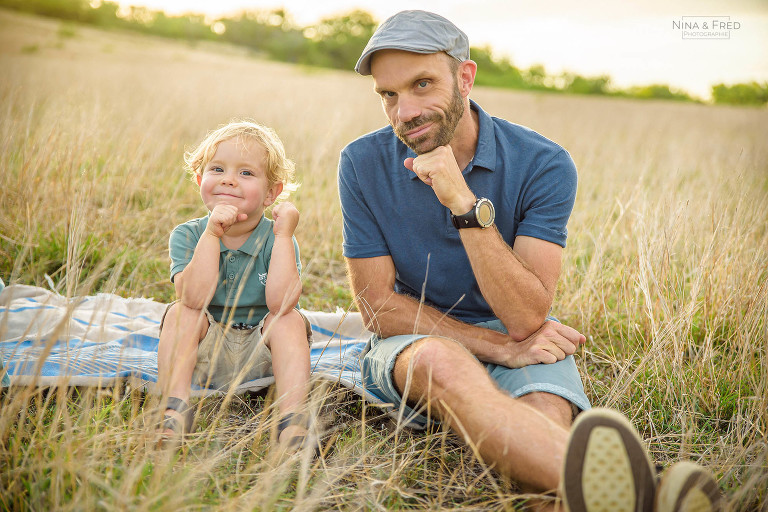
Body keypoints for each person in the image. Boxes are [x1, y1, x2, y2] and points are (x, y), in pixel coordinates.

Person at [338, 10, 721, 511]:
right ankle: (651, 495)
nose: (403, 111)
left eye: (422, 84)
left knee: (543, 414)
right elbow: (378, 309)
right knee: (440, 360)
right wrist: (498, 349)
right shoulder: (361, 162)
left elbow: (525, 318)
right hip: (416, 339)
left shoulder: (544, 162)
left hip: (517, 328)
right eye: (388, 95)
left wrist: (463, 205)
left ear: (465, 77)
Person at [157, 121, 313, 450]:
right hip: (205, 353)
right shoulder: (187, 235)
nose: (228, 179)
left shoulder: (277, 237)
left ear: (272, 193)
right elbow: (194, 298)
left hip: (261, 353)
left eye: (246, 173)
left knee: (289, 320)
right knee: (180, 313)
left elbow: (281, 304)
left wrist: (285, 236)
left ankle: (292, 422)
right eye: (217, 169)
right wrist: (212, 235)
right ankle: (174, 409)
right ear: (200, 180)